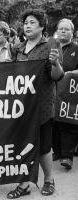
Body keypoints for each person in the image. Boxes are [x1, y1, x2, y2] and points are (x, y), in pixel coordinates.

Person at [7, 9, 64, 198]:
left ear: (42, 26)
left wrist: (55, 64)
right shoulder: (17, 47)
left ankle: (49, 180)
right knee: (22, 145)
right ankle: (24, 185)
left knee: (43, 146)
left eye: (32, 22)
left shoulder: (51, 45)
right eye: (25, 23)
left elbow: (57, 76)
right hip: (21, 106)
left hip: (42, 106)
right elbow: (9, 74)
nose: (28, 26)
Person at [52, 18, 78, 169]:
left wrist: (69, 74)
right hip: (52, 91)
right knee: (53, 122)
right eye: (60, 28)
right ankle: (57, 151)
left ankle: (67, 156)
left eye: (66, 29)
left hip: (69, 94)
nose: (62, 31)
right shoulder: (51, 47)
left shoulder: (76, 48)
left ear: (72, 33)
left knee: (67, 123)